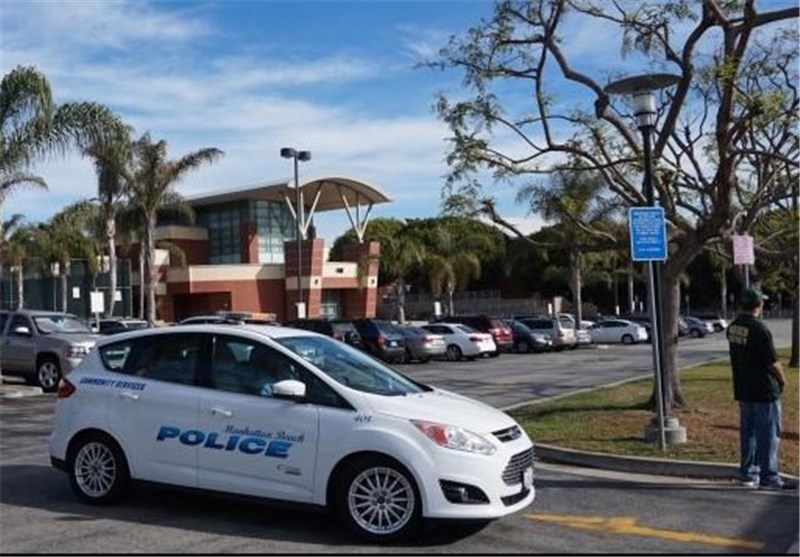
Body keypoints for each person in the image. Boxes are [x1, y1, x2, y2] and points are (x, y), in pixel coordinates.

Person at [726, 287, 791, 490]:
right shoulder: (759, 329)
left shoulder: (733, 327)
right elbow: (772, 362)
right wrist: (782, 380)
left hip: (744, 388)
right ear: (759, 305)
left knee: (749, 433)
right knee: (769, 435)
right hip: (764, 390)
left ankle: (748, 473)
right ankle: (769, 477)